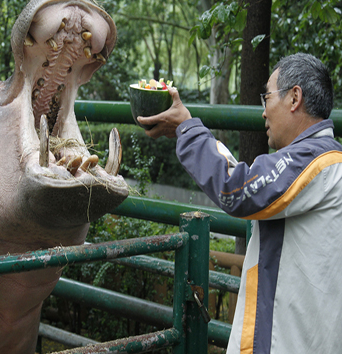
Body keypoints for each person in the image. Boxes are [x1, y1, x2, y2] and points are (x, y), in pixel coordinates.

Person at [138, 53, 342, 354]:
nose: (263, 112)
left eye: (267, 97)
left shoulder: (315, 160)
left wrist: (187, 129)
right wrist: (187, 130)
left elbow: (236, 190)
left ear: (294, 97)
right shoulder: (320, 160)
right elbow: (246, 180)